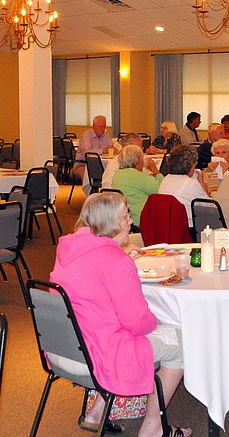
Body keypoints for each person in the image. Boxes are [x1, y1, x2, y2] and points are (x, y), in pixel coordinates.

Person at [49, 193, 191, 437]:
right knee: (181, 344)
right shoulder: (115, 262)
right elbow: (138, 323)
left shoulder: (69, 249)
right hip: (98, 354)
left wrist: (120, 256)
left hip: (62, 347)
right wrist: (162, 321)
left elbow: (93, 278)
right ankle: (153, 429)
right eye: (126, 216)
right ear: (111, 223)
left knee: (125, 328)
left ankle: (95, 413)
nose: (130, 221)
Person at [158, 145, 209, 227]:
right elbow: (210, 207)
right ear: (190, 165)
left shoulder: (166, 179)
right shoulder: (191, 184)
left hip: (170, 226)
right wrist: (201, 182)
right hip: (188, 228)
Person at [112, 145, 163, 226]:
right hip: (140, 220)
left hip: (121, 218)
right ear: (137, 161)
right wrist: (156, 171)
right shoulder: (141, 177)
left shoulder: (117, 174)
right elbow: (162, 189)